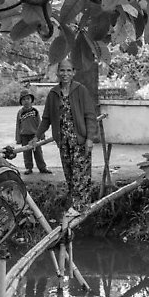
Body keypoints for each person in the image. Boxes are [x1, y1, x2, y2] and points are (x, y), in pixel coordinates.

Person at [31, 59, 97, 216]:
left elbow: (90, 116)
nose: (65, 74)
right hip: (63, 141)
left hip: (79, 140)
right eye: (62, 70)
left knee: (81, 174)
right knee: (70, 174)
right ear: (57, 73)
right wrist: (36, 136)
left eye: (69, 70)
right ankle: (77, 204)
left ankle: (81, 207)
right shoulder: (53, 94)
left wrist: (89, 139)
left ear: (73, 72)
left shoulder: (81, 90)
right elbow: (46, 118)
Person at [15, 89, 52, 175]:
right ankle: (28, 168)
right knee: (26, 153)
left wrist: (41, 135)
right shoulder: (20, 112)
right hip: (24, 136)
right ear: (21, 102)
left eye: (28, 99)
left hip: (34, 135)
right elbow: (18, 125)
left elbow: (40, 123)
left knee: (38, 152)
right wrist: (18, 138)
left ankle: (42, 167)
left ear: (31, 100)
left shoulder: (35, 111)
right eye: (24, 99)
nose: (26, 101)